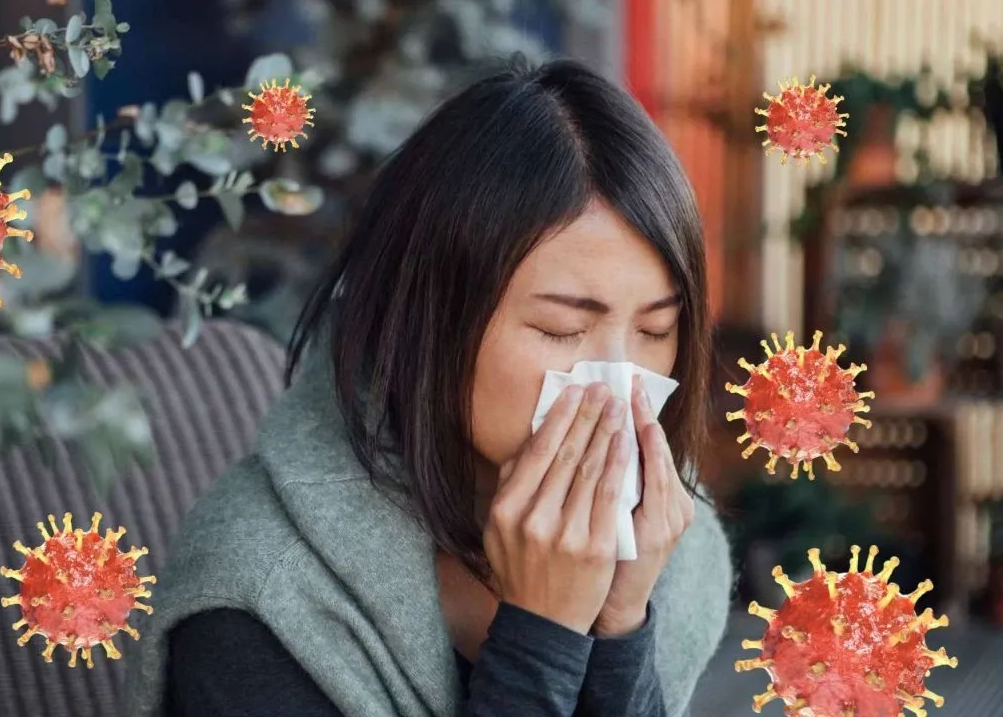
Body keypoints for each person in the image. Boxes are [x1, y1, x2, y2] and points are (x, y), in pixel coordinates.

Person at [122, 58, 733, 717]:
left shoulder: (670, 547)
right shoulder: (262, 600)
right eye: (562, 329)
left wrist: (620, 631)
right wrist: (542, 640)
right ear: (428, 319)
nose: (617, 388)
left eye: (655, 329)